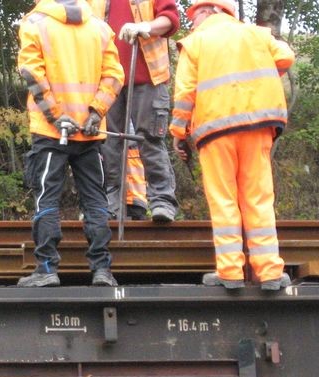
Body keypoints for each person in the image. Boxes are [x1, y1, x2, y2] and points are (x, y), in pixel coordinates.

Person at [170, 0, 295, 291]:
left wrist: (178, 130)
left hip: (216, 131)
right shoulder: (257, 34)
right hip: (258, 126)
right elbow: (286, 57)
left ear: (212, 11)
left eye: (195, 14)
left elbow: (185, 91)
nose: (192, 22)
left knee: (224, 200)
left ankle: (231, 273)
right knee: (259, 198)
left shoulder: (196, 42)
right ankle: (269, 273)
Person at [17, 0, 124, 288]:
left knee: (47, 200)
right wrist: (95, 112)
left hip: (51, 133)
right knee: (96, 201)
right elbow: (114, 76)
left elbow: (30, 72)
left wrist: (55, 115)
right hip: (89, 134)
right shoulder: (100, 28)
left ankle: (47, 269)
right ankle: (102, 270)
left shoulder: (35, 22)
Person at [90, 0, 180, 222]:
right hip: (107, 81)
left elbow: (170, 19)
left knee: (150, 139)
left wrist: (147, 27)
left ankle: (162, 201)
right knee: (110, 144)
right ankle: (113, 204)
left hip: (148, 77)